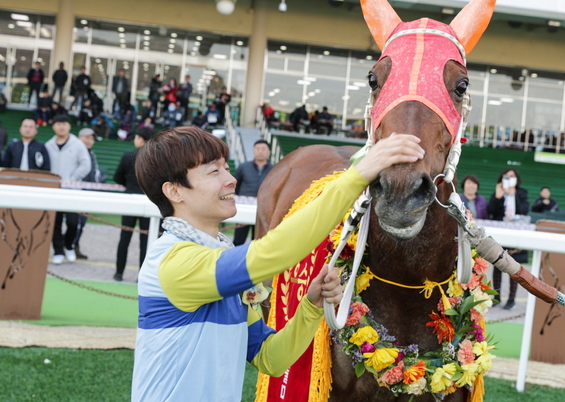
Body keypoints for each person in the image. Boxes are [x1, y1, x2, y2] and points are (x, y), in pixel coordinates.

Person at [130, 127, 424, 401]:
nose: (230, 179)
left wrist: (311, 305)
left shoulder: (211, 256)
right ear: (174, 191)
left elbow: (271, 358)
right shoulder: (175, 262)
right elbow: (274, 252)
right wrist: (357, 176)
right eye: (213, 171)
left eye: (227, 168)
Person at [45, 115, 92, 265]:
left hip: (72, 191)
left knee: (73, 222)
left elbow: (86, 164)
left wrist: (73, 178)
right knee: (55, 223)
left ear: (69, 126)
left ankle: (69, 246)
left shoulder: (78, 144)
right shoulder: (48, 145)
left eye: (64, 124)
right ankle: (58, 251)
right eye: (58, 124)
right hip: (54, 192)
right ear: (54, 126)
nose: (61, 127)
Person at [113, 126, 155, 282]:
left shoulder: (128, 156)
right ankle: (142, 276)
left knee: (125, 237)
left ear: (141, 139)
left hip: (130, 200)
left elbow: (117, 178)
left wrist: (130, 185)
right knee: (147, 240)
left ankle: (119, 272)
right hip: (149, 202)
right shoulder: (156, 159)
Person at [488, 168, 529, 310]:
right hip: (501, 234)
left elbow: (524, 210)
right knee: (498, 264)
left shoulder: (522, 193)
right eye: (507, 176)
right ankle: (496, 297)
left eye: (512, 176)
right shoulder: (499, 192)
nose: (510, 178)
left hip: (517, 233)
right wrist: (498, 197)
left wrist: (514, 195)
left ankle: (511, 299)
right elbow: (491, 211)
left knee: (515, 267)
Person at [233, 140, 274, 246]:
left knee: (258, 241)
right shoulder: (243, 167)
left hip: (263, 210)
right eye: (258, 149)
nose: (260, 151)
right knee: (239, 239)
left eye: (263, 149)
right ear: (253, 151)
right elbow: (236, 185)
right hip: (244, 208)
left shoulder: (274, 169)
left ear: (269, 152)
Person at [73, 128, 101, 260]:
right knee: (74, 223)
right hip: (75, 194)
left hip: (87, 195)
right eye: (86, 137)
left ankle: (74, 245)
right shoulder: (74, 153)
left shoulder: (92, 155)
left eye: (91, 138)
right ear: (79, 138)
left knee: (81, 223)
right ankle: (68, 246)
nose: (89, 140)